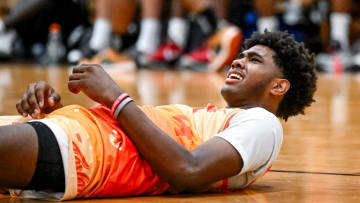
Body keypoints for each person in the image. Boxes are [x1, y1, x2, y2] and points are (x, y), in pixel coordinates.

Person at [0, 31, 317, 200]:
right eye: (241, 55)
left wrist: (114, 96)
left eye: (254, 60)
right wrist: (54, 112)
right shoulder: (222, 119)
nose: (237, 62)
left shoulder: (264, 124)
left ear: (279, 86)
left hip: (91, 152)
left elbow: (187, 170)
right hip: (77, 140)